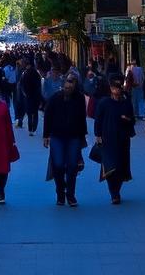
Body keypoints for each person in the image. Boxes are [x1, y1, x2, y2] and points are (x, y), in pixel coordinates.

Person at [43, 73, 88, 207]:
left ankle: (71, 195)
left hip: (74, 136)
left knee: (73, 166)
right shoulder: (55, 98)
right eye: (67, 82)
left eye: (72, 82)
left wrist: (82, 137)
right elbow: (48, 116)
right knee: (58, 165)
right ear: (63, 84)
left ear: (75, 84)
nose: (69, 84)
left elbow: (82, 118)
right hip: (57, 136)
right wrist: (46, 135)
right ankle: (60, 192)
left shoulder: (80, 98)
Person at [94, 74, 136, 204]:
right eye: (114, 87)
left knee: (121, 166)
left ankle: (117, 190)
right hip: (108, 139)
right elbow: (98, 120)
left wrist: (127, 119)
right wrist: (98, 135)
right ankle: (114, 193)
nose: (117, 90)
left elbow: (132, 119)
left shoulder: (126, 102)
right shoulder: (104, 103)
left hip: (123, 139)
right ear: (110, 88)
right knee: (111, 167)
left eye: (119, 87)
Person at [19, 57, 42, 135]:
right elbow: (39, 85)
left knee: (29, 113)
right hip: (35, 95)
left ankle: (30, 129)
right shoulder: (36, 73)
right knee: (35, 113)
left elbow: (21, 85)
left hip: (28, 96)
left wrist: (24, 93)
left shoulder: (25, 73)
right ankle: (34, 129)